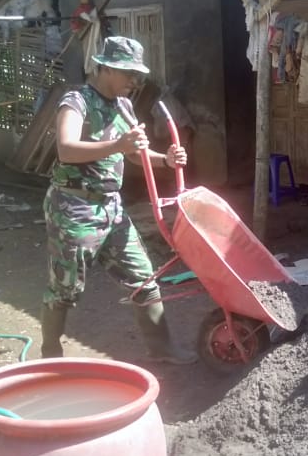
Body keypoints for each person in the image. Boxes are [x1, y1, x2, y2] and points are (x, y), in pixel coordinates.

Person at [41, 36, 197, 364]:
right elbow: (66, 150)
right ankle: (50, 353)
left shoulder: (123, 106)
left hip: (111, 207)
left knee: (143, 276)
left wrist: (165, 160)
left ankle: (162, 349)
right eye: (129, 73)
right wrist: (119, 146)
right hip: (74, 206)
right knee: (66, 287)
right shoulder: (77, 100)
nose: (135, 81)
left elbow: (136, 154)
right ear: (107, 67)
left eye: (137, 75)